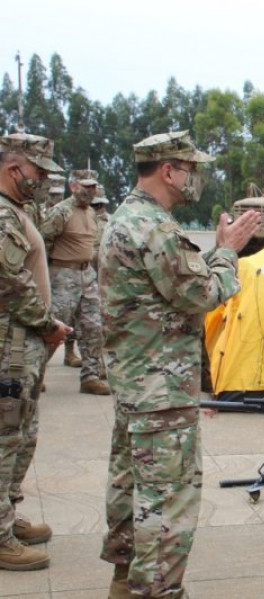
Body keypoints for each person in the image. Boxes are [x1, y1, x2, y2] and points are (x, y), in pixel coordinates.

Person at [98, 131, 261, 599]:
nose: (197, 179)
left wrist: (216, 252)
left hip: (136, 384)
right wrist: (228, 253)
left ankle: (125, 583)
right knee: (167, 501)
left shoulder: (128, 219)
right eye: (191, 169)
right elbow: (203, 292)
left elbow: (170, 284)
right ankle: (156, 591)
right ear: (168, 171)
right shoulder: (155, 227)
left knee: (131, 488)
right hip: (161, 390)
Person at [0, 133, 71, 571]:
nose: (42, 182)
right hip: (10, 345)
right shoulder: (3, 216)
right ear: (14, 169)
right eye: (38, 173)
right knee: (6, 438)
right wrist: (48, 326)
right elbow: (11, 283)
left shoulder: (18, 212)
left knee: (21, 436)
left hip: (22, 345)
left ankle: (7, 512)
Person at [41, 169, 110, 394]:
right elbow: (44, 243)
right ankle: (35, 373)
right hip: (63, 275)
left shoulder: (91, 213)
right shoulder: (60, 212)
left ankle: (90, 376)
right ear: (73, 186)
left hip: (86, 274)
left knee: (93, 327)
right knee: (54, 328)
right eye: (85, 186)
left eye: (93, 187)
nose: (89, 191)